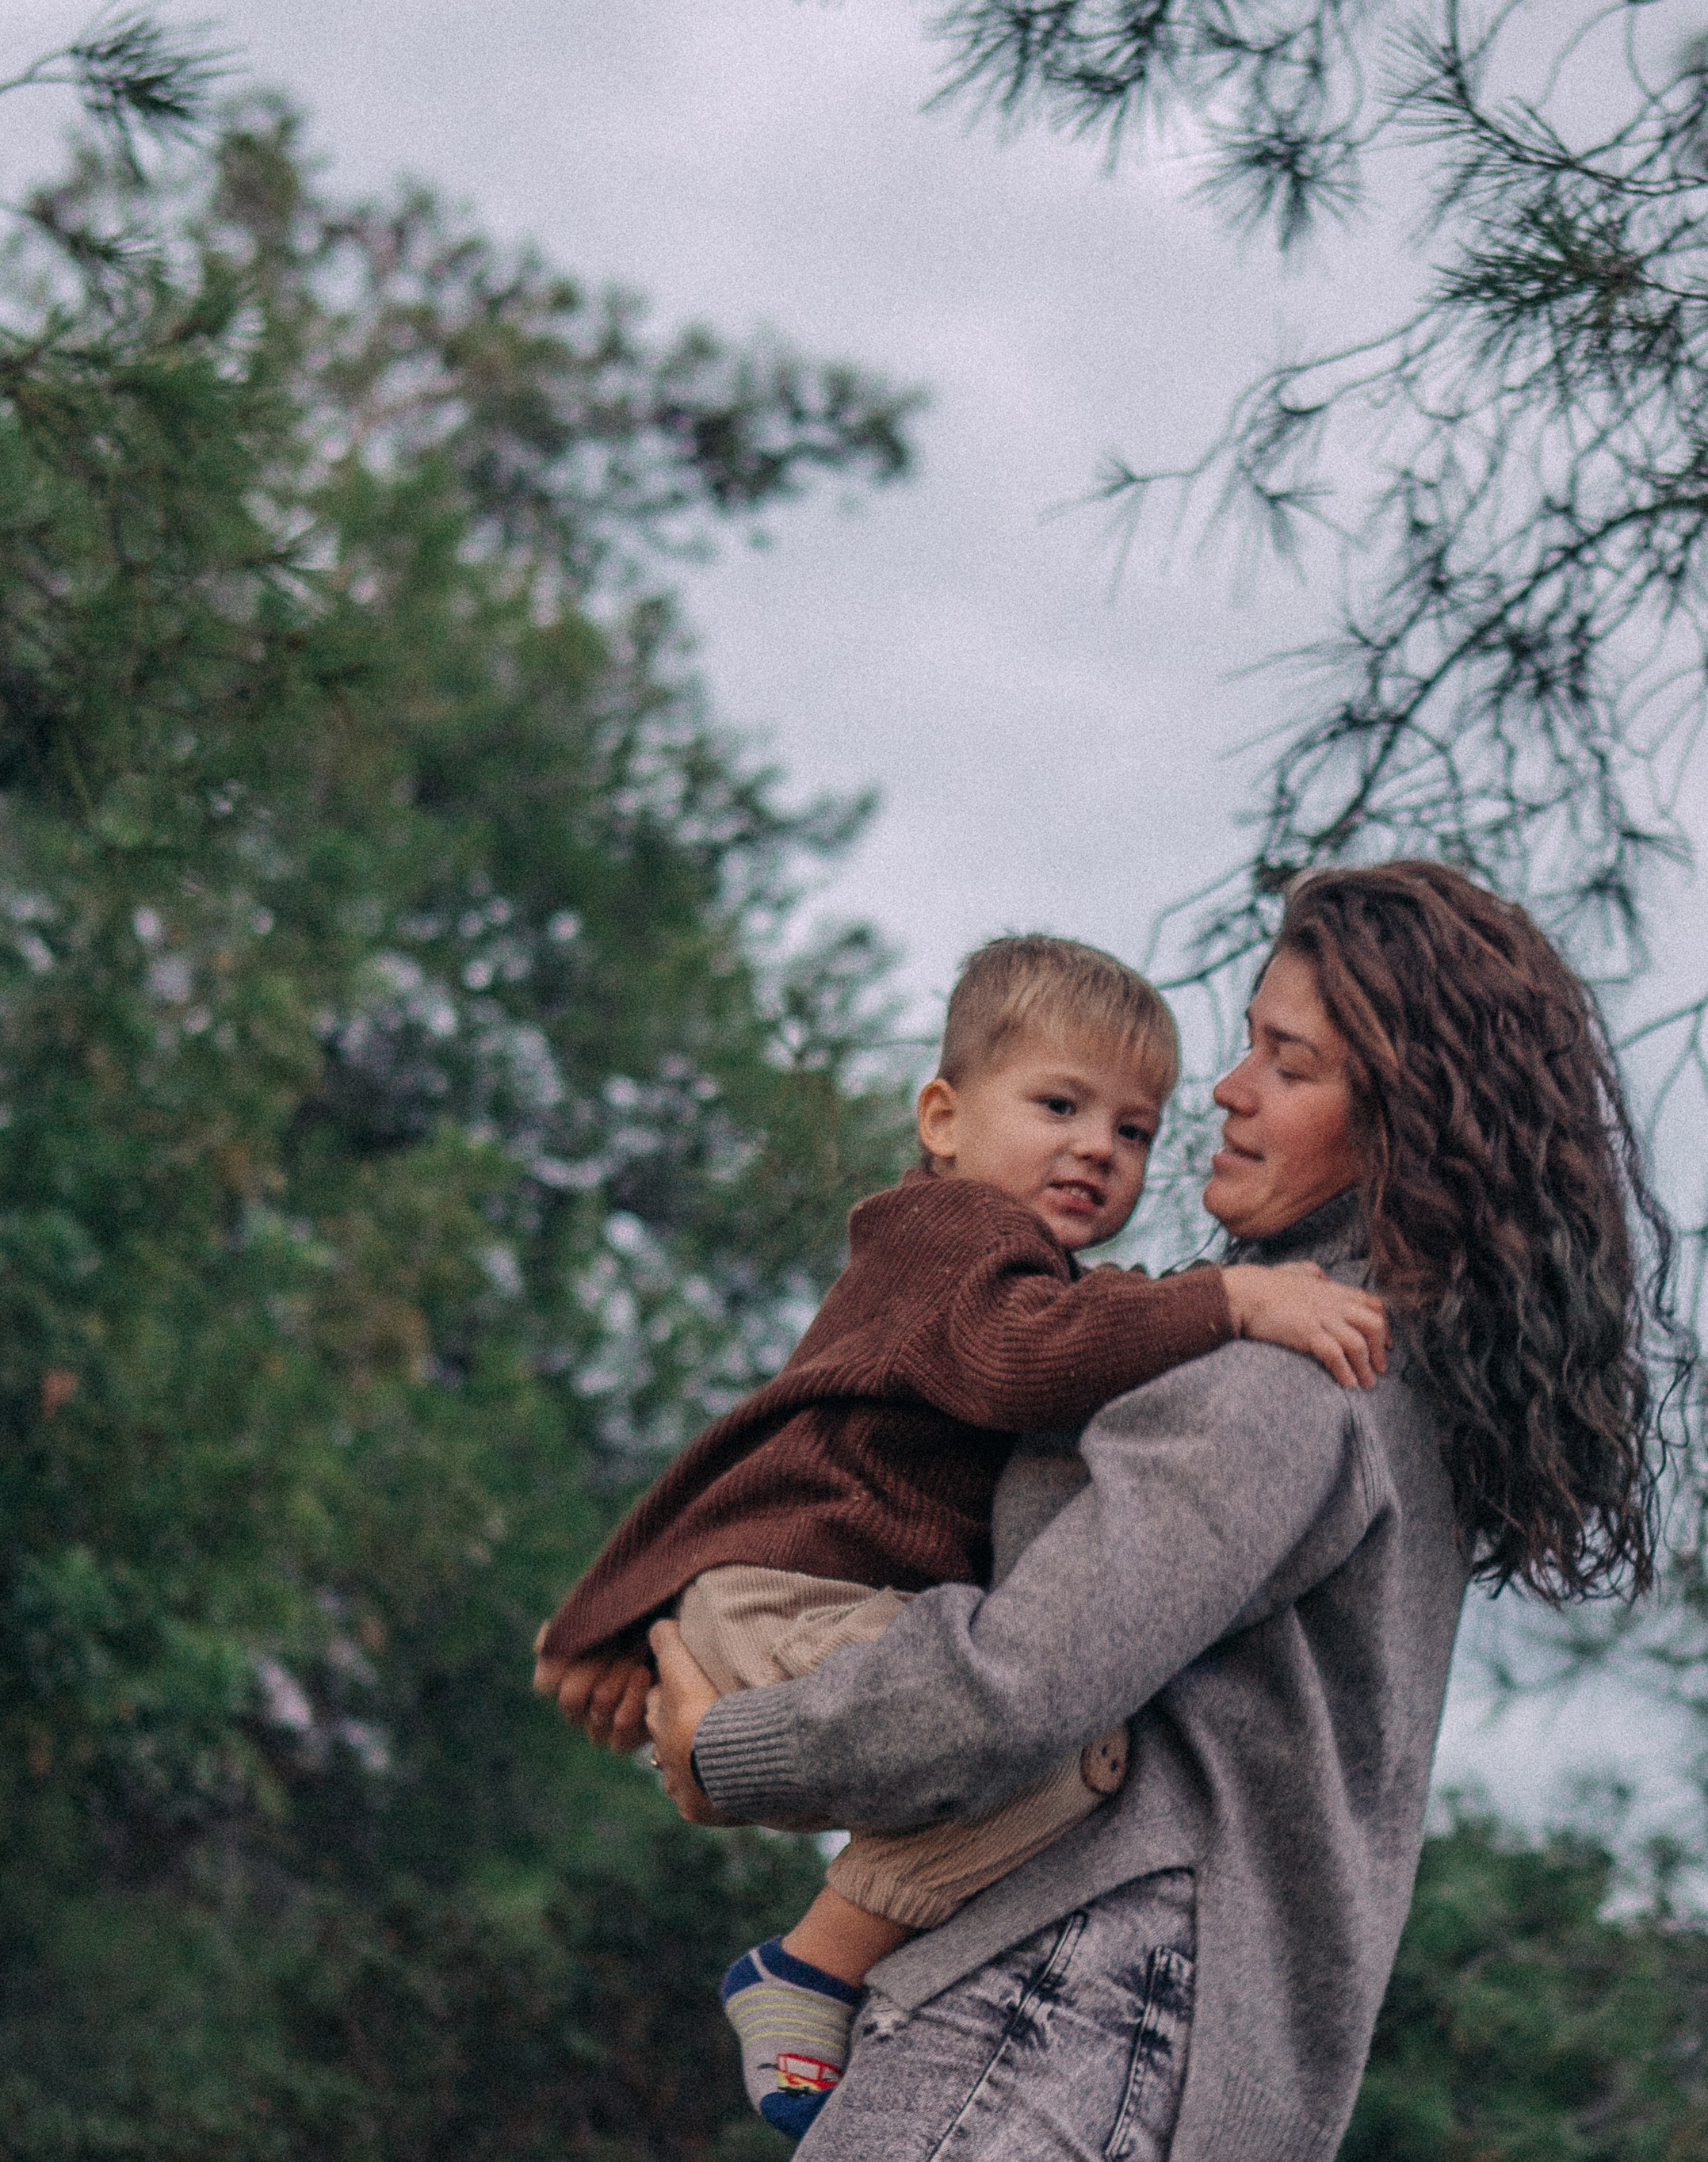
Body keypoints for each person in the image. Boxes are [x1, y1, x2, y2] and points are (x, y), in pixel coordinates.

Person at [642, 862, 1684, 2162]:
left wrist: (736, 1744)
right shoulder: (1403, 1384)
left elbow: (1020, 1679)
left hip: (1065, 1998)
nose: (1228, 1092)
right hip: (1189, 2048)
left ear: (1406, 1116)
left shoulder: (1284, 1381)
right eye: (1247, 1044)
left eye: (1286, 1062)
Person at [533, 934, 1389, 2137]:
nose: (1097, 1145)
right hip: (795, 1596)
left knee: (1019, 1757)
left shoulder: (1018, 1272)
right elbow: (1018, 1360)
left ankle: (813, 1967)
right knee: (1060, 1754)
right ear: (940, 1114)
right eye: (1056, 1104)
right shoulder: (951, 1240)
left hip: (799, 1594)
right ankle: (810, 1966)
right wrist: (1228, 1301)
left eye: (1133, 1129)